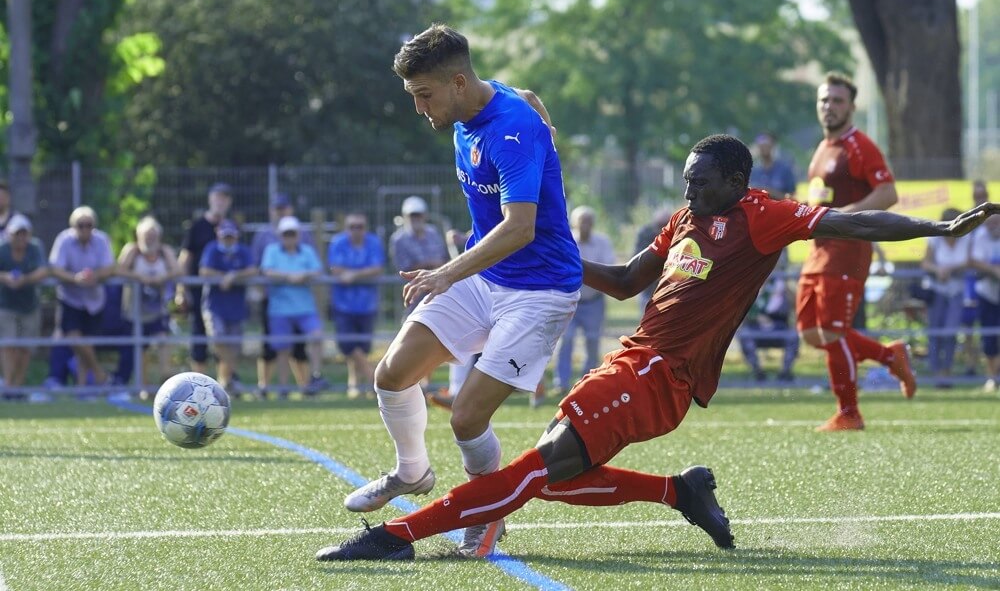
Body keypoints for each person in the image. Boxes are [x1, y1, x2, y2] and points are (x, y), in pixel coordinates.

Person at [315, 134, 999, 562]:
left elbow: (853, 218)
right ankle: (681, 491)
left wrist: (936, 229)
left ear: (737, 181)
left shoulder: (764, 215)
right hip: (632, 359)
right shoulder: (683, 220)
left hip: (662, 375)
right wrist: (553, 248)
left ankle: (397, 538)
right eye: (686, 181)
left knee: (535, 467)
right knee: (554, 479)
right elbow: (621, 282)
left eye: (702, 182)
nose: (690, 191)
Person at [341, 24, 581, 558]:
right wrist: (541, 112)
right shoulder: (476, 104)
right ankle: (411, 473)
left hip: (539, 290)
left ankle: (489, 515)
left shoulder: (511, 131)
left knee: (468, 418)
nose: (419, 107)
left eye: (423, 95)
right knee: (392, 374)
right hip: (485, 276)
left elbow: (520, 227)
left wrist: (448, 271)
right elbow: (520, 93)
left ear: (455, 82)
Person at [797, 72, 915, 432]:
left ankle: (849, 413)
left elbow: (888, 193)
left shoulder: (859, 145)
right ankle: (888, 355)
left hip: (847, 252)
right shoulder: (822, 148)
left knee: (833, 333)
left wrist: (841, 218)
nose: (829, 107)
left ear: (851, 106)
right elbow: (822, 199)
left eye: (837, 101)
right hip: (818, 251)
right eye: (824, 100)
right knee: (810, 333)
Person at [250, 193, 316, 391]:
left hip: (298, 301)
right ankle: (265, 386)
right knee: (270, 346)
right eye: (277, 208)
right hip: (271, 299)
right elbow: (256, 266)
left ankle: (303, 386)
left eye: (283, 207)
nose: (280, 211)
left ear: (290, 209)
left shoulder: (302, 233)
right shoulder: (262, 235)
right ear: (272, 210)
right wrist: (260, 289)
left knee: (299, 348)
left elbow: (312, 262)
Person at [48, 206, 117, 388]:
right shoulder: (64, 240)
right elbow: (55, 268)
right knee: (76, 339)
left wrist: (95, 276)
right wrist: (75, 278)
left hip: (94, 300)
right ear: (73, 225)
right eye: (81, 225)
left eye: (89, 225)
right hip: (70, 298)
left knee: (86, 346)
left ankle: (82, 388)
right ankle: (100, 375)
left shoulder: (101, 240)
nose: (85, 229)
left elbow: (110, 267)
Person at [260, 215, 328, 397]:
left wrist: (302, 275)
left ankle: (315, 376)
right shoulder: (272, 250)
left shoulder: (306, 251)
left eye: (292, 233)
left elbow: (318, 270)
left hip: (305, 308)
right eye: (286, 234)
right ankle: (284, 388)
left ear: (298, 235)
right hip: (279, 309)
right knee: (283, 350)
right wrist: (290, 277)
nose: (289, 237)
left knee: (317, 336)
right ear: (280, 235)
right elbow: (267, 271)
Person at [554, 206, 616, 395]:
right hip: (570, 300)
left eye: (588, 221)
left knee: (592, 341)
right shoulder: (566, 239)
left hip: (594, 301)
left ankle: (586, 382)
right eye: (582, 221)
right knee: (566, 340)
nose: (585, 225)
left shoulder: (602, 242)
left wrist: (577, 271)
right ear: (574, 223)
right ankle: (561, 383)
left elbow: (609, 267)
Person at [118, 216, 182, 386]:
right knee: (139, 349)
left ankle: (166, 381)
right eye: (146, 235)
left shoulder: (164, 251)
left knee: (163, 341)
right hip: (134, 312)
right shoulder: (133, 251)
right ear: (139, 236)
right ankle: (143, 385)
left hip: (157, 310)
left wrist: (163, 277)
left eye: (153, 235)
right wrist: (139, 277)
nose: (149, 239)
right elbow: (119, 270)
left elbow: (177, 270)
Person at [176, 182, 233, 374]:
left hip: (225, 294)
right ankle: (197, 385)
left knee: (224, 340)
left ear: (229, 202)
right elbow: (185, 258)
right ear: (210, 199)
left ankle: (223, 384)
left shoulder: (231, 227)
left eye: (224, 198)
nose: (220, 202)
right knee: (199, 338)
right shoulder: (197, 226)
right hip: (200, 292)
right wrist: (181, 290)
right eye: (217, 197)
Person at [328, 212, 385, 399]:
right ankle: (375, 382)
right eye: (352, 227)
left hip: (367, 304)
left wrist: (353, 276)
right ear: (346, 228)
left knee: (362, 348)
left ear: (365, 228)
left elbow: (377, 268)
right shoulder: (338, 243)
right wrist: (362, 273)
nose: (356, 230)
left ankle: (354, 384)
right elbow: (335, 268)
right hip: (343, 305)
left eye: (359, 226)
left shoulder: (373, 242)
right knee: (348, 345)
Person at [200, 220, 257, 396]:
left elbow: (253, 270)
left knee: (234, 346)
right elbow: (204, 271)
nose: (228, 240)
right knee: (218, 339)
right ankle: (225, 379)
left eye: (231, 236)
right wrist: (223, 276)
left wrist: (234, 276)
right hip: (215, 306)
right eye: (225, 236)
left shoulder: (242, 251)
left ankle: (225, 381)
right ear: (218, 234)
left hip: (236, 307)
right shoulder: (212, 249)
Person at [921, 208, 972, 388]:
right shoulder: (934, 239)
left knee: (950, 333)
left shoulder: (966, 239)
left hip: (956, 291)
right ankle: (937, 374)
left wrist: (951, 269)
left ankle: (947, 371)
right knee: (935, 333)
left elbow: (970, 261)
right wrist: (938, 270)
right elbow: (926, 263)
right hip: (937, 291)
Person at [0, 214, 48, 387]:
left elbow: (44, 270)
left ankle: (18, 385)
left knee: (26, 347)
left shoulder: (35, 247)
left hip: (29, 306)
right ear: (10, 234)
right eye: (17, 234)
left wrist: (25, 279)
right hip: (6, 305)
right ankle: (9, 385)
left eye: (24, 233)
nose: (20, 237)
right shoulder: (2, 248)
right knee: (8, 346)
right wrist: (6, 277)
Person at [737, 250, 799, 382]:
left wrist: (787, 286)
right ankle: (757, 371)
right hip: (756, 325)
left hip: (779, 324)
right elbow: (745, 309)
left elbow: (795, 304)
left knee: (793, 336)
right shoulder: (754, 281)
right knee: (745, 335)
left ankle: (785, 372)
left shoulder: (783, 283)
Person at [389, 196, 448, 318]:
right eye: (412, 215)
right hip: (414, 292)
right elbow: (404, 268)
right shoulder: (398, 239)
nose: (415, 218)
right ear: (405, 216)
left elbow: (443, 258)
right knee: (413, 322)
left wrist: (431, 266)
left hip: (438, 291)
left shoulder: (433, 232)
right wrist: (432, 265)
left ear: (424, 215)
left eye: (418, 215)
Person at [958, 179, 991, 376]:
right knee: (968, 324)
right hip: (971, 278)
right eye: (977, 196)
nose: (980, 199)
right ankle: (971, 363)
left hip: (990, 277)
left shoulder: (994, 217)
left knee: (990, 323)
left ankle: (992, 366)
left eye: (983, 196)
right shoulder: (968, 217)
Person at [970, 213, 1000, 392]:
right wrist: (994, 270)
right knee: (989, 337)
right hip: (987, 293)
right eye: (992, 222)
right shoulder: (980, 235)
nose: (995, 225)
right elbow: (974, 261)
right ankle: (992, 377)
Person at [633, 207, 673, 313]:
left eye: (666, 224)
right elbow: (637, 258)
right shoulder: (645, 234)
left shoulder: (678, 234)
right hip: (647, 288)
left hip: (670, 291)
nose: (662, 228)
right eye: (660, 225)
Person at [749, 132, 797, 198]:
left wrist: (769, 192)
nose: (764, 148)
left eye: (767, 145)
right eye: (762, 146)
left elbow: (792, 196)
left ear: (774, 146)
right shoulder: (752, 171)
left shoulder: (785, 170)